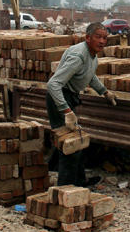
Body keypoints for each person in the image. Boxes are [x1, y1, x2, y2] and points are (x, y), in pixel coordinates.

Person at [46, 22, 117, 186]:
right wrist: (66, 111)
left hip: (68, 98)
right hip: (59, 98)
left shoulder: (92, 56)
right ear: (87, 37)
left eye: (105, 38)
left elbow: (90, 76)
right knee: (70, 145)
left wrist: (105, 92)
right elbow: (53, 84)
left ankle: (78, 182)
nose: (101, 41)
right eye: (97, 37)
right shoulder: (78, 56)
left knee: (75, 143)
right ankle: (64, 189)